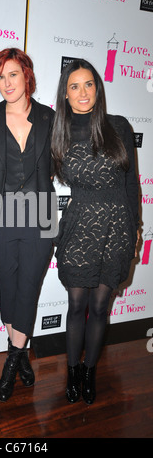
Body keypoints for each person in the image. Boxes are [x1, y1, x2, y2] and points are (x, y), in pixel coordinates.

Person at [51, 59, 139, 405]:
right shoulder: (58, 132)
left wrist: (135, 229)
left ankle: (89, 372)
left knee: (100, 308)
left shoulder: (119, 126)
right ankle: (71, 371)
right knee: (76, 305)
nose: (83, 92)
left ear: (98, 89)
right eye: (74, 86)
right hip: (79, 228)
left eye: (89, 84)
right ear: (66, 94)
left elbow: (132, 185)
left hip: (117, 226)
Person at [0, 48, 56, 402]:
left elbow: (61, 163)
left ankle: (12, 362)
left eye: (13, 74)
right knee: (8, 289)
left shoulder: (49, 118)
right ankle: (22, 352)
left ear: (26, 75)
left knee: (29, 286)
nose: (7, 82)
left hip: (39, 218)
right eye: (1, 76)